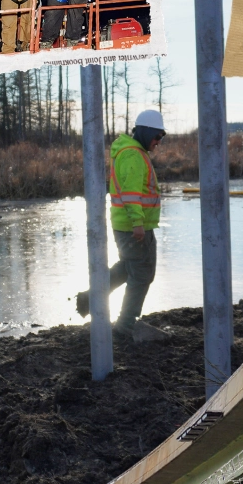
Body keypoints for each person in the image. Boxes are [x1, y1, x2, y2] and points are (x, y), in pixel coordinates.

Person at [75, 109, 165, 333]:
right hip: (133, 227)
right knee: (142, 274)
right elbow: (131, 192)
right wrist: (138, 223)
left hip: (129, 226)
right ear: (146, 133)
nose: (158, 142)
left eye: (160, 138)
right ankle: (125, 325)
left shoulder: (131, 152)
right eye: (157, 137)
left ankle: (90, 297)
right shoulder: (133, 155)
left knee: (128, 268)